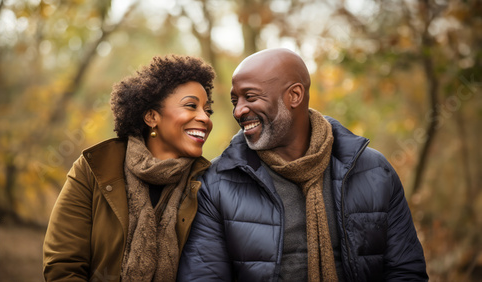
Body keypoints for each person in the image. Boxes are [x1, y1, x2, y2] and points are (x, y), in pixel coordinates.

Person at [177, 48, 428, 281]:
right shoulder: (217, 183)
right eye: (235, 101)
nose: (239, 111)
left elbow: (405, 271)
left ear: (294, 95)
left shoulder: (373, 171)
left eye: (250, 97)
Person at [43, 54, 215, 281]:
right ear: (152, 116)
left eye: (208, 110)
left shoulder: (209, 183)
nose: (205, 117)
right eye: (191, 106)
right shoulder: (93, 169)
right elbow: (63, 265)